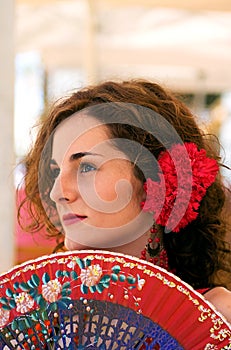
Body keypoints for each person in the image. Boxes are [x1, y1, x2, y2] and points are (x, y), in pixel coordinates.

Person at [18, 79, 231, 323]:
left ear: (156, 181)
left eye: (86, 167)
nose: (57, 192)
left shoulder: (217, 318)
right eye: (55, 171)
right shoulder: (37, 317)